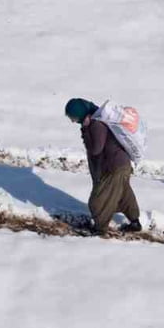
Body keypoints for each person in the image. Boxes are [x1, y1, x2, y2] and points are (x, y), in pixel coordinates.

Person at [64, 98, 142, 234]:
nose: (73, 121)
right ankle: (135, 223)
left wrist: (85, 129)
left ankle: (100, 229)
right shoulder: (98, 119)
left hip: (114, 168)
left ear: (81, 114)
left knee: (98, 201)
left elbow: (96, 149)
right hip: (122, 165)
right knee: (124, 195)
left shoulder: (97, 124)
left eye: (74, 118)